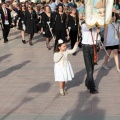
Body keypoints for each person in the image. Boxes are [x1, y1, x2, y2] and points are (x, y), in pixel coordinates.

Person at [81, 22, 100, 94]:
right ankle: (92, 87)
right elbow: (87, 28)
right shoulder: (84, 25)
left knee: (92, 66)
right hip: (86, 47)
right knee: (89, 68)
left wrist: (98, 32)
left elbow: (97, 37)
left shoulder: (95, 26)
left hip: (93, 47)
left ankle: (87, 81)